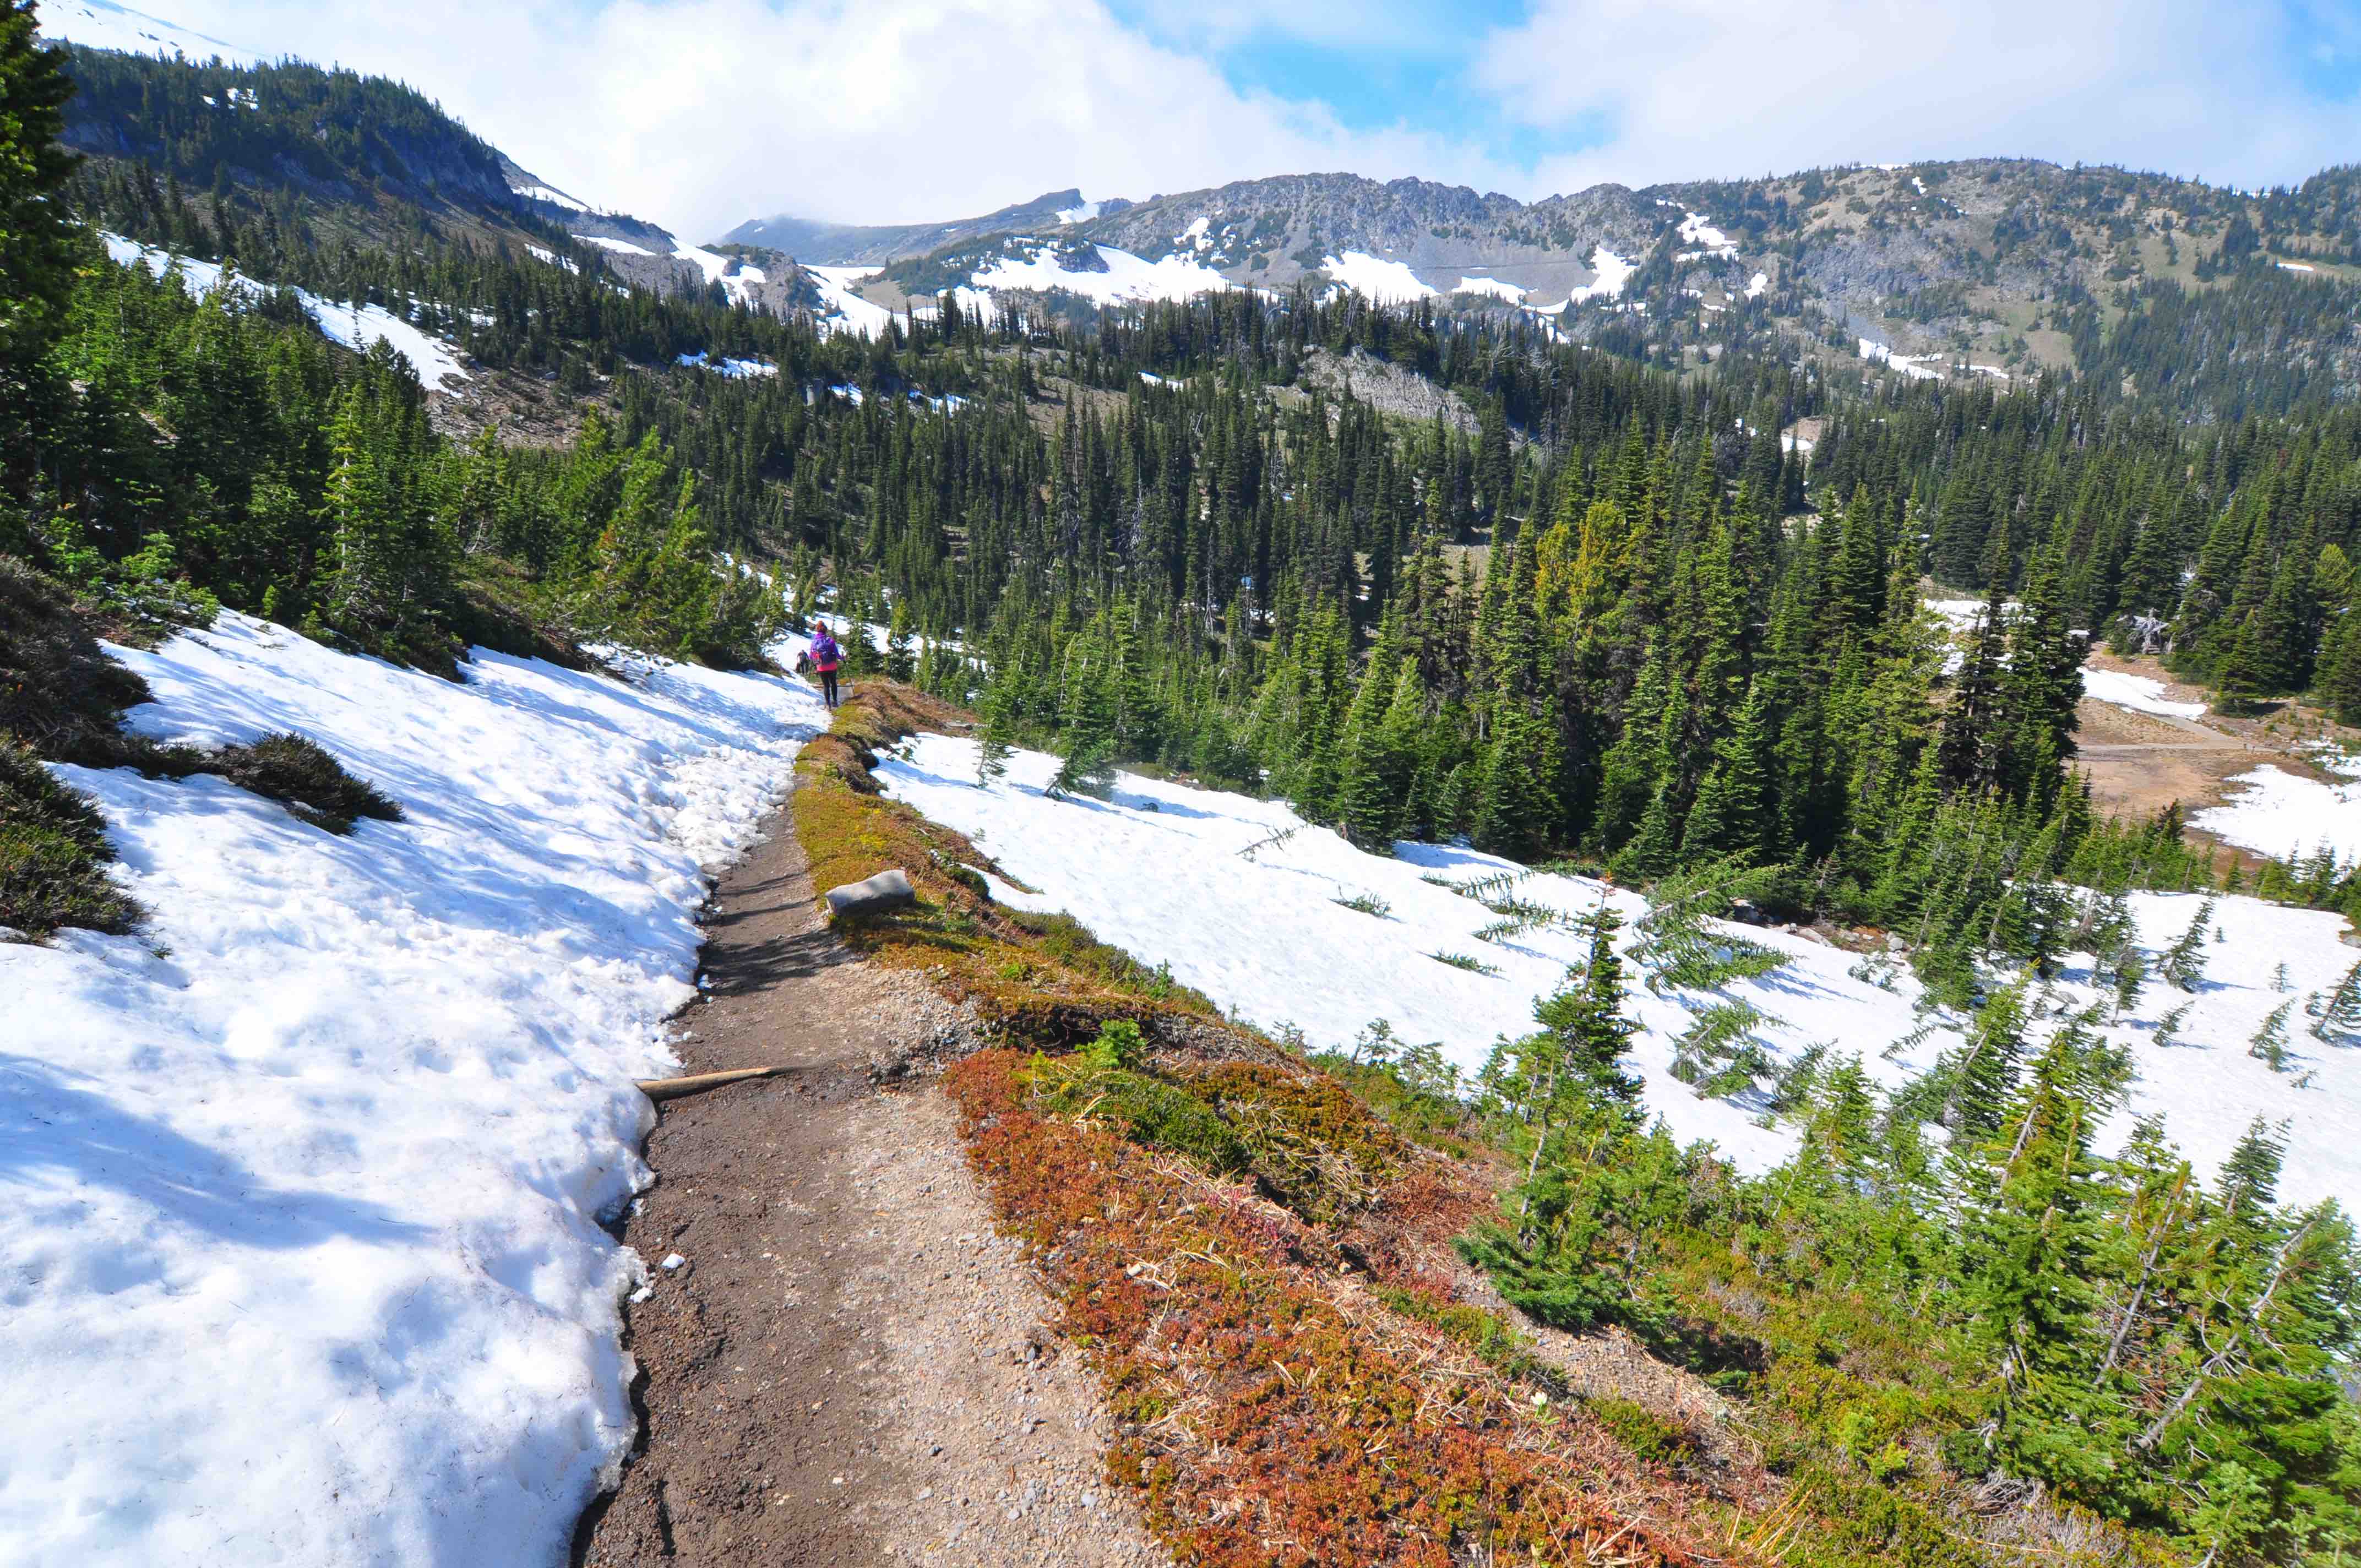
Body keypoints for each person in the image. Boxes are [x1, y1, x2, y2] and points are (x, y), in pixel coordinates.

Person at [809, 622, 842, 709]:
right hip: (832, 666)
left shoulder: (814, 642)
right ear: (825, 631)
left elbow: (810, 656)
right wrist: (843, 659)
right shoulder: (830, 640)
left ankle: (828, 704)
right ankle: (835, 702)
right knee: (833, 683)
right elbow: (837, 654)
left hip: (821, 667)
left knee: (826, 686)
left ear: (817, 630)